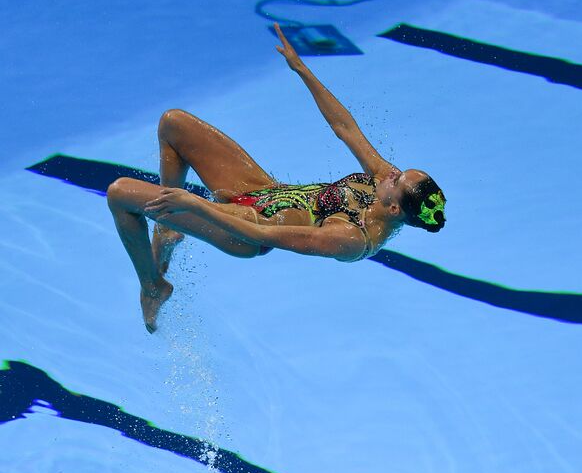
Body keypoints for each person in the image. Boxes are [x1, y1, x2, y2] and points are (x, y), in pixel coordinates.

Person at [106, 23, 446, 332]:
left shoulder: (353, 239)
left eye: (397, 180)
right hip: (264, 191)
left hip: (247, 229)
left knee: (120, 194)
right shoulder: (381, 183)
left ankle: (153, 287)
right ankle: (168, 227)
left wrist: (193, 204)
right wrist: (301, 69)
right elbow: (345, 128)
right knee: (173, 123)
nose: (391, 172)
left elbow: (262, 232)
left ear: (394, 210)